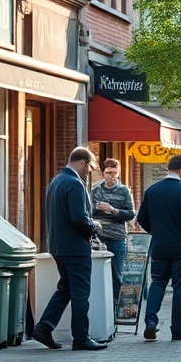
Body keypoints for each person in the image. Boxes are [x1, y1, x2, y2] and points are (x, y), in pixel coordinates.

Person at [33, 147, 107, 351]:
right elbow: (78, 218)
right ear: (82, 162)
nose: (90, 172)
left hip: (58, 246)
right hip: (75, 247)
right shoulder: (75, 184)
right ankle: (81, 338)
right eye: (90, 167)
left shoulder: (56, 181)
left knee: (65, 289)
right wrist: (95, 226)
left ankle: (44, 328)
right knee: (81, 294)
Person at [136, 155, 181, 342]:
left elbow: (141, 218)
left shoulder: (152, 191)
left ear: (168, 168)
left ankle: (150, 322)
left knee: (157, 282)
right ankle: (177, 328)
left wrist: (156, 232)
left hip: (160, 246)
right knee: (179, 287)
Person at [91, 158, 136, 304]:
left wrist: (113, 210)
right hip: (99, 238)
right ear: (103, 173)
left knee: (116, 274)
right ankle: (100, 304)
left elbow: (130, 213)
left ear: (119, 173)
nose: (111, 176)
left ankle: (116, 306)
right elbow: (87, 211)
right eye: (109, 172)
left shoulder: (124, 191)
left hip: (117, 237)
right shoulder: (95, 190)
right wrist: (97, 208)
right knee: (97, 273)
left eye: (114, 173)